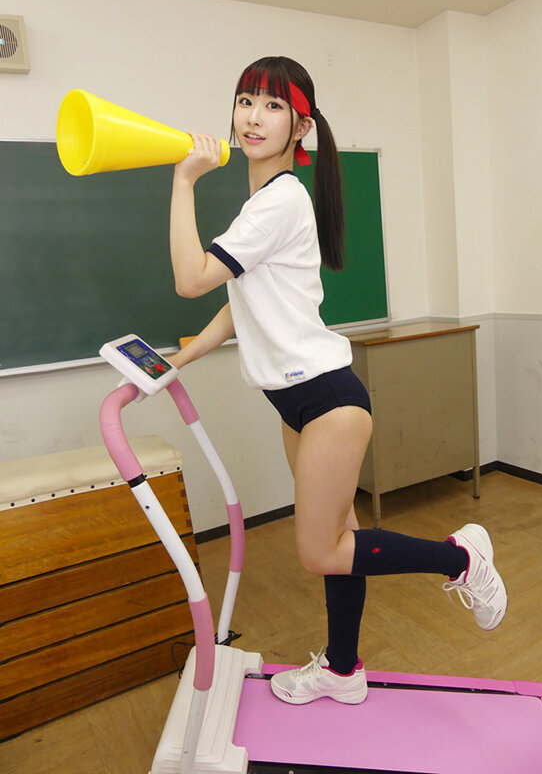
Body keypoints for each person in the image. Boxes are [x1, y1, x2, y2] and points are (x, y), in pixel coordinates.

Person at [167, 55, 507, 706]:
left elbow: (191, 279)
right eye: (245, 100)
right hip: (297, 402)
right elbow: (240, 299)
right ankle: (344, 670)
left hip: (325, 399)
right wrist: (182, 359)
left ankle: (462, 559)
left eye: (272, 105)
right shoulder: (265, 202)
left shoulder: (280, 200)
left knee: (319, 551)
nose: (253, 116)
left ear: (300, 126)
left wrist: (183, 181)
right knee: (341, 536)